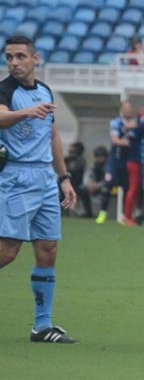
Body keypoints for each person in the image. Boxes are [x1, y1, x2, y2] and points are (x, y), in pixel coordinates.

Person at [0, 34, 78, 343]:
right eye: (9, 57)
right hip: (17, 178)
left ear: (35, 58)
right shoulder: (7, 89)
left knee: (48, 250)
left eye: (20, 56)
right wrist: (27, 113)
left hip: (45, 178)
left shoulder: (44, 90)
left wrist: (64, 178)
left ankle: (42, 327)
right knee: (7, 252)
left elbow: (53, 134)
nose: (14, 63)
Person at [95, 101, 132, 225]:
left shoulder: (133, 125)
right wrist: (126, 143)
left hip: (127, 162)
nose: (127, 110)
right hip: (114, 161)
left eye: (129, 108)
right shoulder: (115, 123)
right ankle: (103, 213)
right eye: (125, 108)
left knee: (127, 189)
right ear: (121, 109)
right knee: (107, 187)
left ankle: (123, 215)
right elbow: (115, 140)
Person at [64, 142, 91, 218]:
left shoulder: (81, 160)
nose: (70, 150)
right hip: (66, 183)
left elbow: (76, 170)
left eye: (72, 148)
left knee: (84, 192)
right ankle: (62, 210)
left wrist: (68, 170)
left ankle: (88, 212)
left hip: (77, 184)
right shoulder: (67, 159)